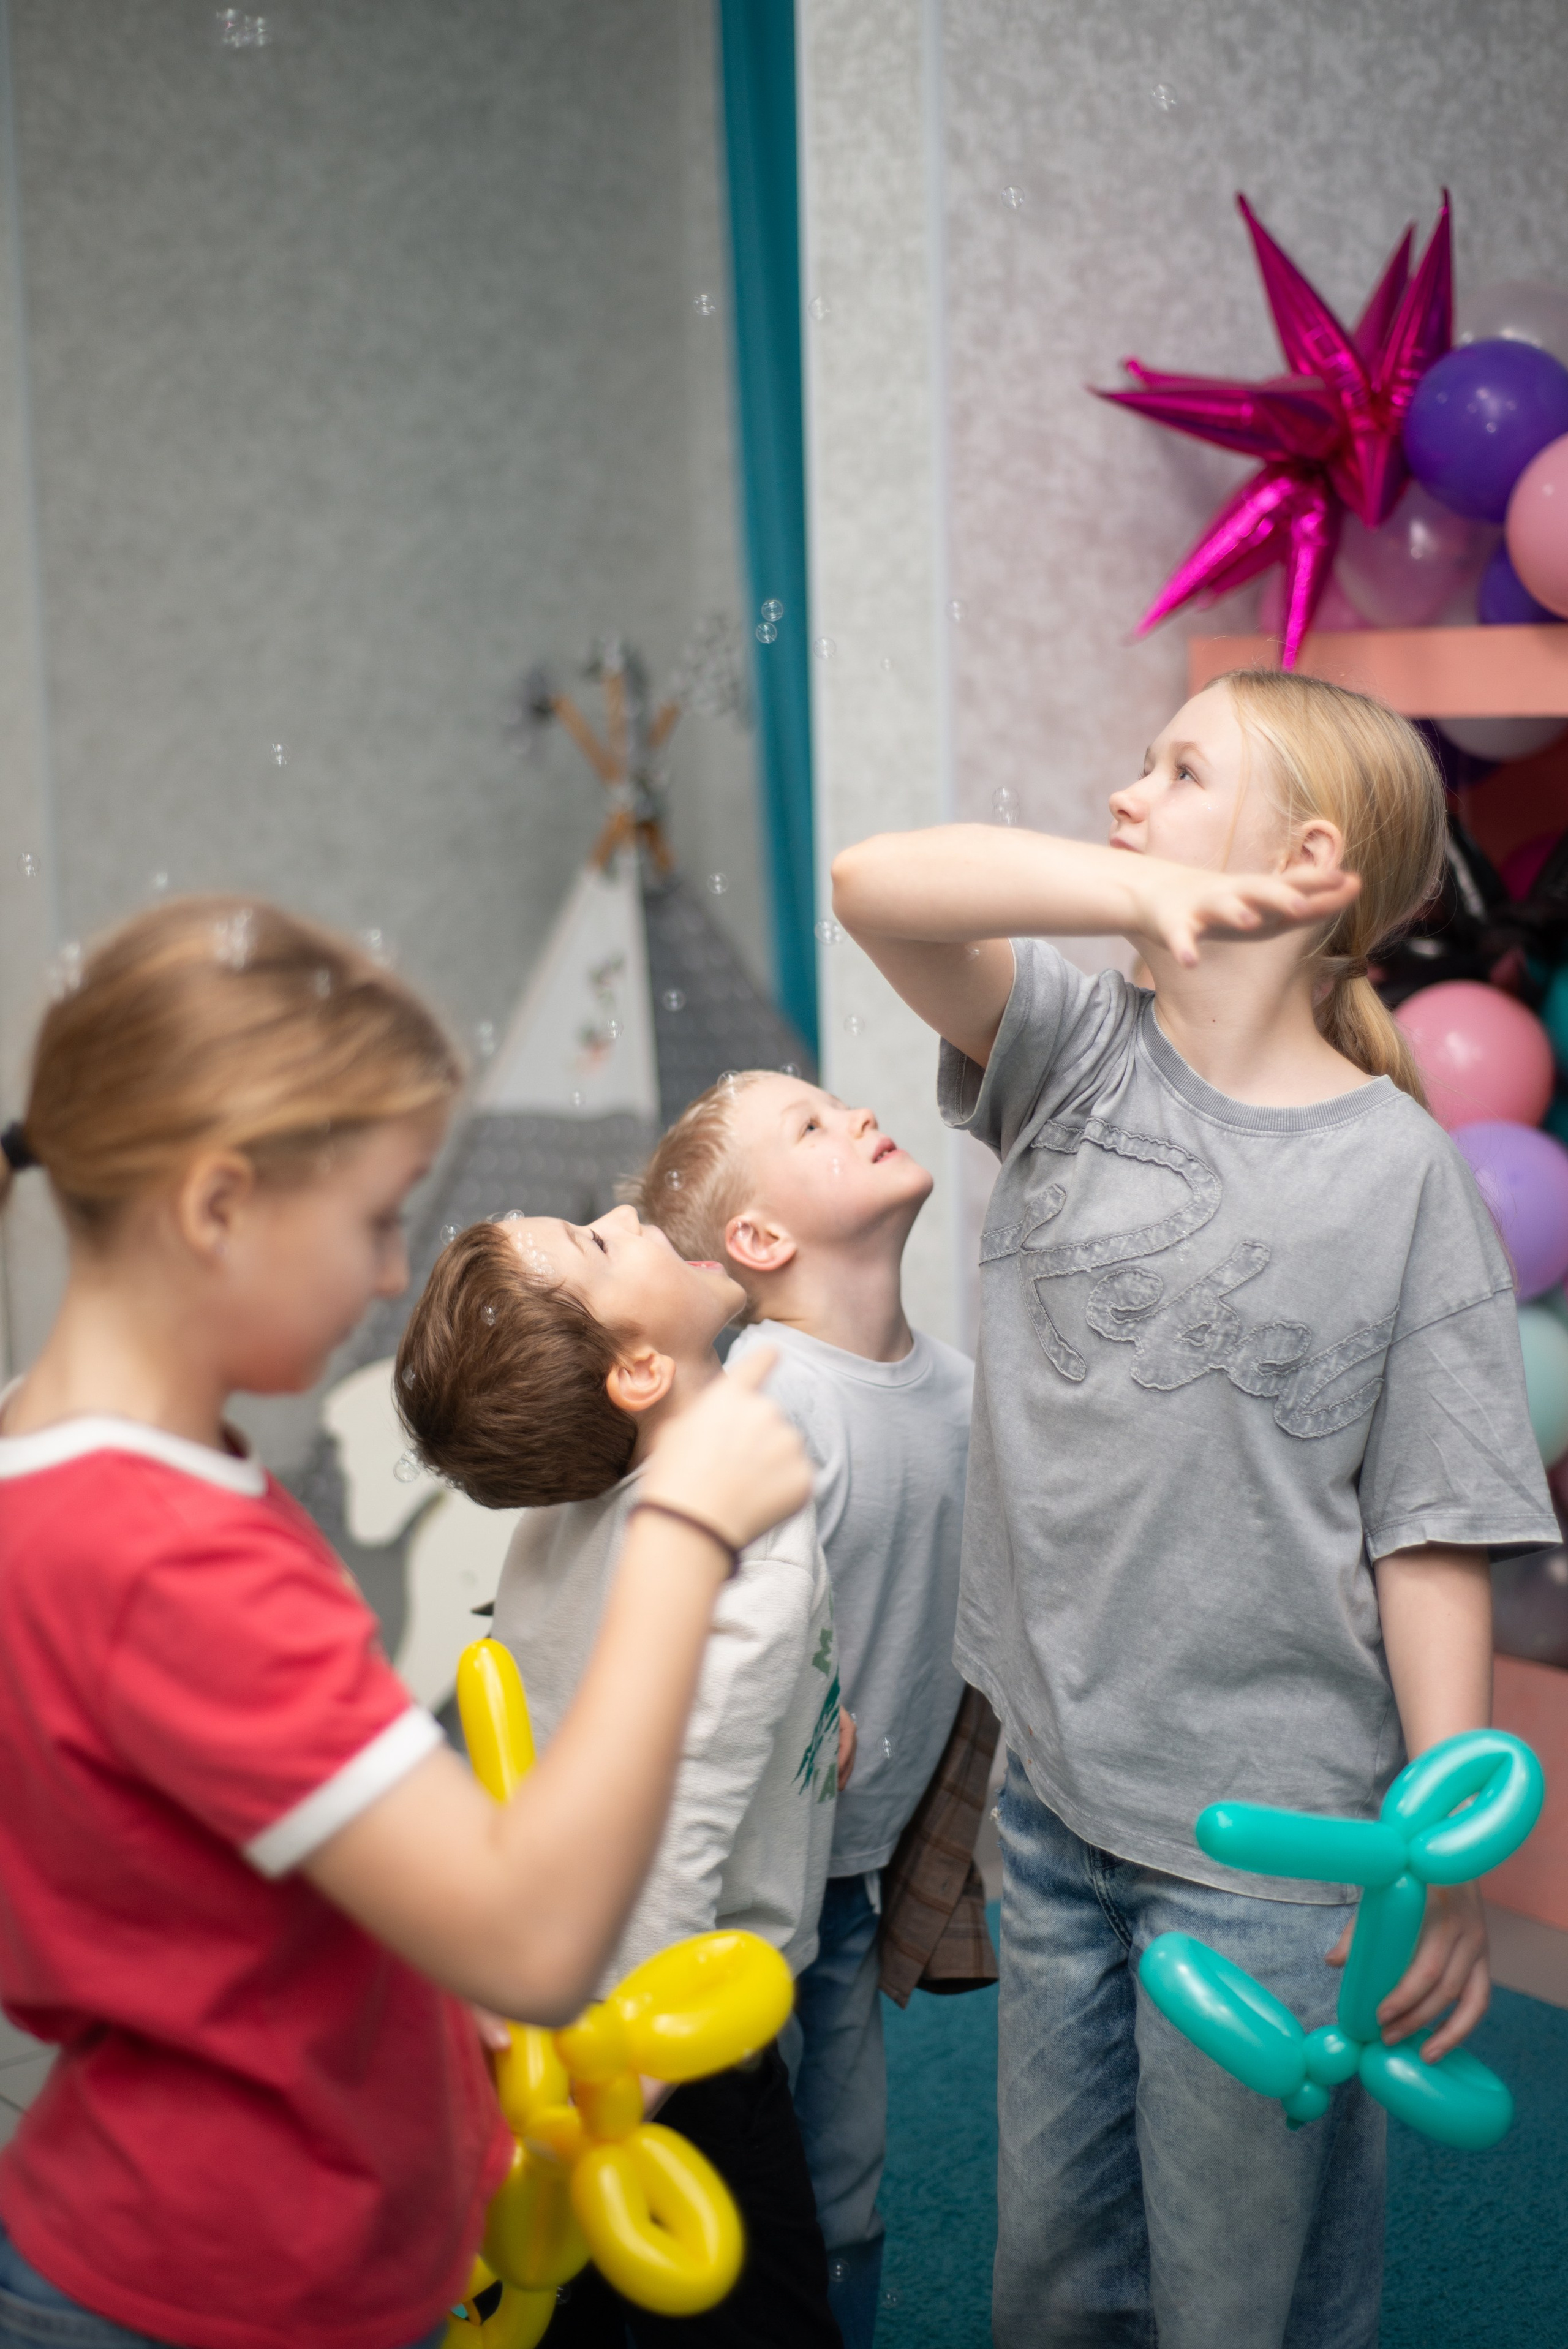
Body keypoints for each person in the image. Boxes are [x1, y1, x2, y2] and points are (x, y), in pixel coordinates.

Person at [830, 668, 1559, 2349]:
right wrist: (1137, 893)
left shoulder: (1400, 1174)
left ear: (1304, 859)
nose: (1123, 793)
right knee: (1057, 2270)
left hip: (1284, 1850)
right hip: (1060, 1800)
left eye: (1177, 773)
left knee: (1246, 2292)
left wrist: (1434, 1856)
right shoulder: (1072, 1055)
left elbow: (1430, 1527)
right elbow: (878, 880)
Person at [0, 896, 812, 2349]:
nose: (391, 1275)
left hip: (167, 2228)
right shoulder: (171, 1560)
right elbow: (536, 1943)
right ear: (217, 1207)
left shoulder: (50, 1468)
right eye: (376, 1219)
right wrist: (686, 1530)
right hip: (232, 2281)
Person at [396, 1203, 844, 2348]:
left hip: (546, 1990)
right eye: (598, 1243)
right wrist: (614, 2097)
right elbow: (676, 1832)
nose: (627, 1212)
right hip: (666, 2038)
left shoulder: (560, 1513)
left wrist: (803, 1710)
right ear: (640, 1369)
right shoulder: (752, 1550)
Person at [632, 1072, 985, 2349]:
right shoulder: (769, 1402)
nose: (853, 1115)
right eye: (809, 1125)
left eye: (836, 1103)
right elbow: (684, 1620)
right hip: (727, 1879)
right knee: (704, 2143)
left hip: (844, 1872)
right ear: (760, 1242)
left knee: (843, 2170)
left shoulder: (955, 1389)